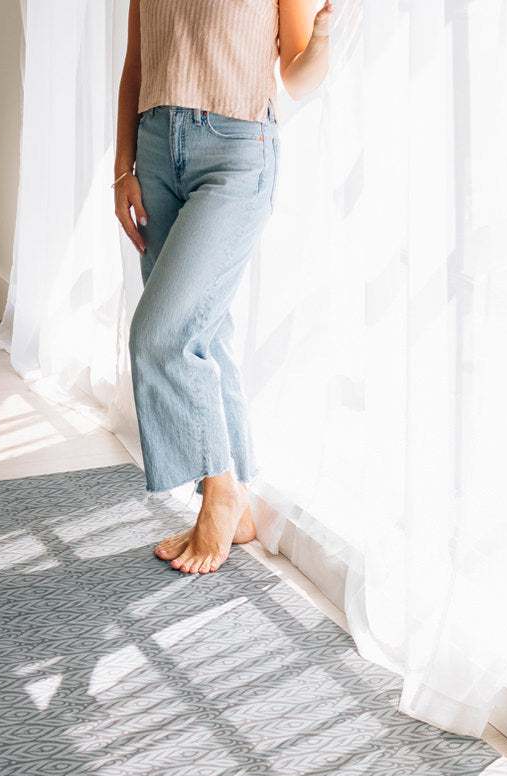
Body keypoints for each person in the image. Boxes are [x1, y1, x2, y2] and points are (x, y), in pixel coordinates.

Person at [115, 0, 332, 574]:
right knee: (204, 335)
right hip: (156, 151)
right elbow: (137, 65)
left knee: (161, 336)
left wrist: (327, 39)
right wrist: (124, 168)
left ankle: (221, 491)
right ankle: (236, 509)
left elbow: (296, 74)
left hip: (236, 153)